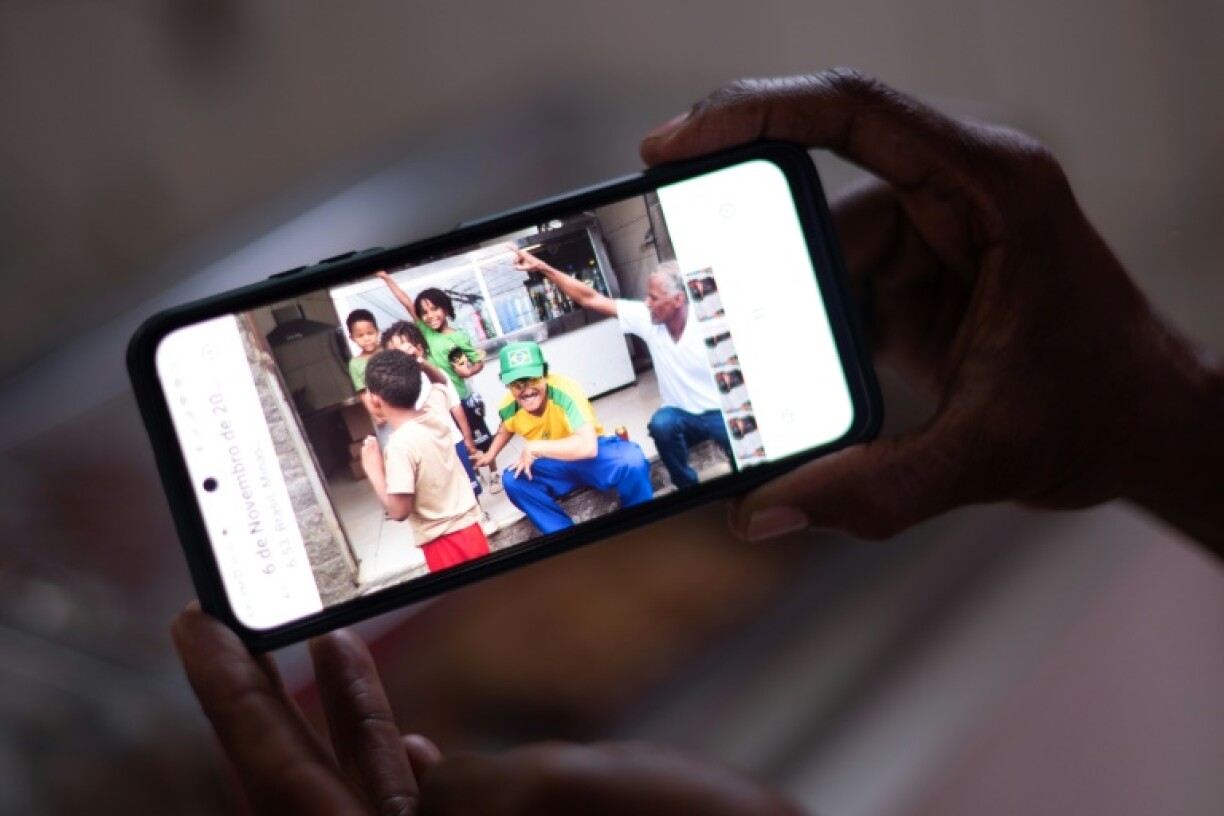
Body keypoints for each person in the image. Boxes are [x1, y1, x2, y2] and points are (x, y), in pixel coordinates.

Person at [174, 69, 1224, 814]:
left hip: (640, 445)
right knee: (641, 465)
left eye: (677, 293)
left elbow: (570, 435)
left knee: (659, 464)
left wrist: (1156, 411)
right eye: (666, 292)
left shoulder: (549, 391)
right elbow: (595, 309)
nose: (667, 302)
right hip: (615, 448)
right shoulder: (611, 335)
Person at [509, 245, 732, 491]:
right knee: (662, 424)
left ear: (678, 300)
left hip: (718, 412)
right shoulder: (648, 319)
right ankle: (689, 489)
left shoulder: (711, 329)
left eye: (654, 298)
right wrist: (542, 267)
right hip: (680, 416)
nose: (647, 303)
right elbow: (589, 298)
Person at [473, 341, 653, 534]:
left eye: (532, 379)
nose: (526, 390)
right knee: (512, 480)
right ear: (507, 385)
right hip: (553, 465)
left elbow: (587, 446)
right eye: (517, 384)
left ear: (545, 375)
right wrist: (490, 454)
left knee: (631, 459)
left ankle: (640, 525)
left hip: (588, 458)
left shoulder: (566, 390)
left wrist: (535, 447)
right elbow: (505, 427)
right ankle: (565, 536)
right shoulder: (508, 406)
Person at [360, 349, 490, 573]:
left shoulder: (399, 446)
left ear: (374, 398)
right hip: (472, 527)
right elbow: (440, 382)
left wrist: (374, 470)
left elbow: (398, 511)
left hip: (443, 542)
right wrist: (421, 363)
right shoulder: (435, 414)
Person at [376, 272, 504, 492]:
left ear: (445, 308)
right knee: (456, 442)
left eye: (434, 309)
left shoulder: (458, 336)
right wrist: (387, 279)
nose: (430, 316)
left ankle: (493, 472)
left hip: (461, 397)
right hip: (439, 401)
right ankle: (472, 475)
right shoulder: (423, 330)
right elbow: (406, 302)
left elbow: (478, 362)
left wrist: (468, 372)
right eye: (424, 312)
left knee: (480, 438)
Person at [382, 321, 499, 537]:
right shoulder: (397, 387)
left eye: (403, 348)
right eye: (393, 353)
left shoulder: (435, 375)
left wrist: (467, 437)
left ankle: (479, 514)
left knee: (468, 482)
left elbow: (455, 405)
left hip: (452, 440)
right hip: (426, 449)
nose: (400, 357)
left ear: (418, 348)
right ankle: (456, 522)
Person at [344, 308, 390, 442]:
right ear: (352, 338)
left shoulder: (388, 350)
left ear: (378, 331)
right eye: (360, 335)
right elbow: (363, 392)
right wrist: (375, 413)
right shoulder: (355, 364)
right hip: (382, 413)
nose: (366, 339)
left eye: (370, 333)